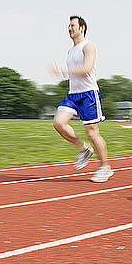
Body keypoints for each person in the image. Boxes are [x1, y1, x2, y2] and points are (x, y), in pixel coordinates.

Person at [52, 15, 113, 182]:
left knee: (93, 133)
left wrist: (64, 72)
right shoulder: (70, 50)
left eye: (73, 26)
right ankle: (83, 149)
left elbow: (87, 68)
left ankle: (105, 167)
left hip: (88, 94)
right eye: (68, 26)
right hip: (73, 95)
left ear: (82, 28)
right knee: (59, 123)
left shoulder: (89, 46)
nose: (69, 29)